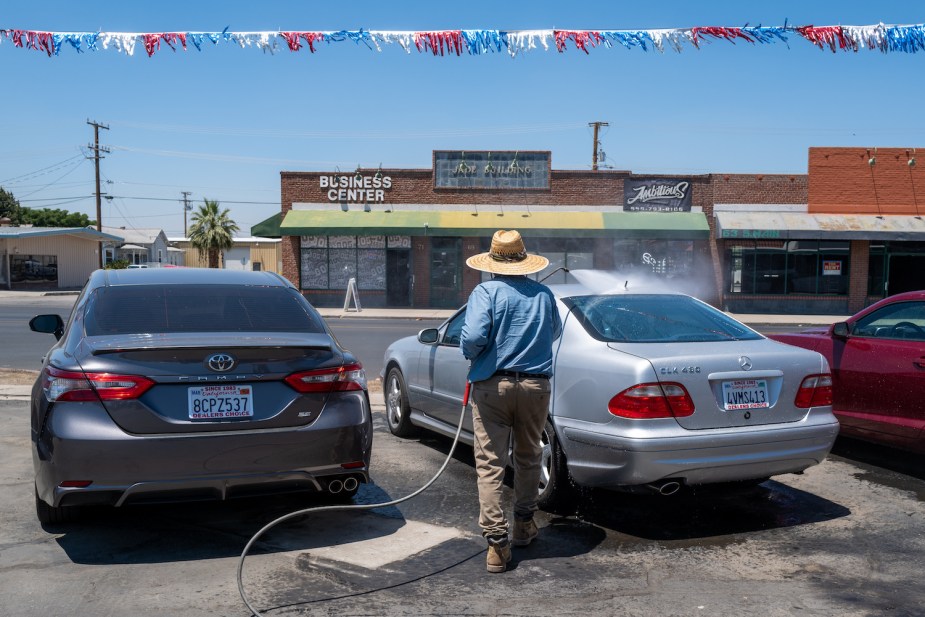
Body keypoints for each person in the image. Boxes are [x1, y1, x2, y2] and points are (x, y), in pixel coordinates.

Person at [460, 229, 562, 573]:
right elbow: (555, 332)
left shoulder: (485, 291)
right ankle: (523, 526)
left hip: (493, 385)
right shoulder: (544, 295)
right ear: (523, 262)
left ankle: (497, 545)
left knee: (490, 463)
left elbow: (473, 337)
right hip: (535, 386)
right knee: (528, 456)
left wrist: (471, 352)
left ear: (492, 264)